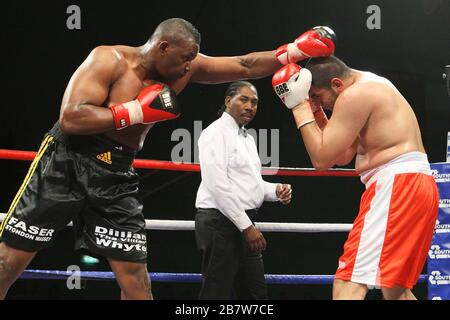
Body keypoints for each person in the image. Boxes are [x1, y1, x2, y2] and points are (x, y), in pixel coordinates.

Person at [0, 18, 335, 300]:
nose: (190, 65)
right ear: (162, 47)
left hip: (116, 170)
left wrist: (293, 51)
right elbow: (72, 118)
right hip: (68, 161)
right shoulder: (108, 59)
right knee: (10, 260)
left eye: (193, 58)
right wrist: (135, 111)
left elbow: (244, 64)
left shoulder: (183, 69)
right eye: (185, 57)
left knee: (135, 278)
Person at [272, 56, 439, 300]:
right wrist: (316, 111)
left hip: (396, 186)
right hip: (414, 184)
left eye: (317, 96)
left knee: (347, 283)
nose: (314, 101)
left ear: (337, 84)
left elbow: (321, 160)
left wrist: (299, 107)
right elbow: (343, 155)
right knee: (396, 289)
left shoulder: (354, 95)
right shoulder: (369, 85)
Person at [195, 81, 292, 299]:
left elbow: (250, 185)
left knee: (255, 294)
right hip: (220, 222)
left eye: (255, 102)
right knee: (216, 294)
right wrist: (247, 227)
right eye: (244, 99)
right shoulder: (215, 133)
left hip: (242, 222)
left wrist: (275, 190)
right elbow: (217, 185)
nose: (250, 106)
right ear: (228, 101)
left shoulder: (246, 138)